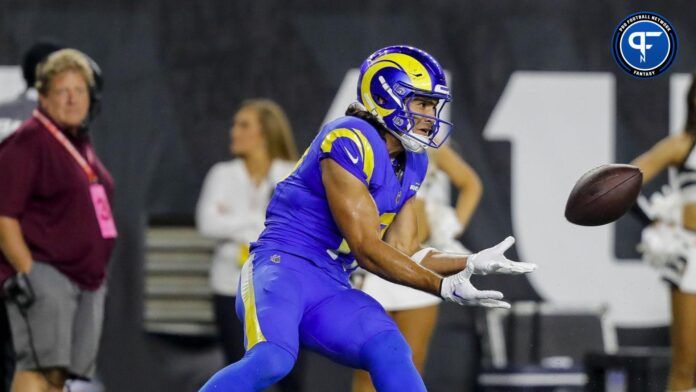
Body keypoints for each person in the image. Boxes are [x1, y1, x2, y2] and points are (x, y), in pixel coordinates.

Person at [199, 45, 536, 392]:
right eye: (422, 103)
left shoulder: (414, 160)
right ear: (386, 96)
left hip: (331, 283)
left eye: (434, 106)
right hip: (282, 267)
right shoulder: (349, 139)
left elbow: (405, 251)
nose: (430, 115)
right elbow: (366, 249)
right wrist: (441, 286)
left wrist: (469, 261)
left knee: (390, 349)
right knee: (273, 359)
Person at [0, 48, 115, 392]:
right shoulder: (28, 141)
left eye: (79, 90)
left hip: (84, 278)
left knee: (57, 375)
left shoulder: (77, 143)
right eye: (62, 91)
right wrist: (29, 274)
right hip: (47, 273)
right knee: (37, 367)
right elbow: (4, 216)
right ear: (44, 96)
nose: (72, 99)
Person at [353, 143, 482, 391]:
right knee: (366, 365)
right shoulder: (366, 142)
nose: (425, 115)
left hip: (416, 269)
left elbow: (471, 184)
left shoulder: (428, 147)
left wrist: (451, 227)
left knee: (411, 364)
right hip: (374, 266)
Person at [196, 99, 299, 385]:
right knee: (238, 372)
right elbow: (207, 223)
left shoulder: (292, 173)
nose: (234, 132)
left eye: (243, 125)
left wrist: (234, 221)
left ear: (265, 133)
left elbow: (295, 227)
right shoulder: (222, 173)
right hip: (229, 288)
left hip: (282, 291)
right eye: (235, 125)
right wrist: (254, 224)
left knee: (289, 376)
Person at [631, 73, 696, 392]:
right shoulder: (681, 145)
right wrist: (654, 224)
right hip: (691, 258)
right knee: (687, 362)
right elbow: (624, 182)